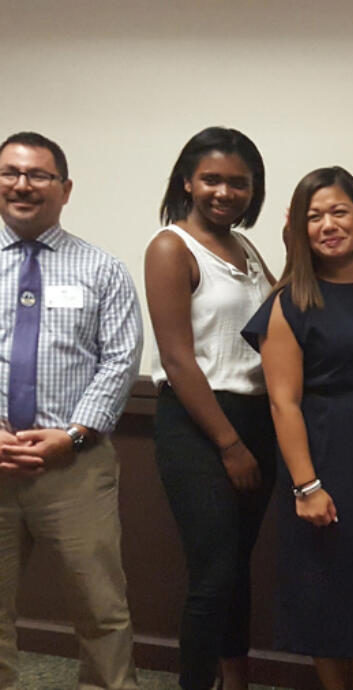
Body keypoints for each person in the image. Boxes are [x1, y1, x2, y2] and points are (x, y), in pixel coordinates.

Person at [242, 166, 353, 690]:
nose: (328, 225)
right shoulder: (289, 301)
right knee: (324, 587)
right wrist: (306, 485)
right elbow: (283, 402)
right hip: (323, 457)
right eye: (314, 216)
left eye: (339, 211)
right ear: (298, 228)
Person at [0, 131, 142, 689]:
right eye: (10, 172)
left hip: (75, 466)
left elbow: (120, 362)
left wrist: (74, 436)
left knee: (100, 608)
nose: (22, 185)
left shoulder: (102, 270)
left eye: (38, 175)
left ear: (65, 189)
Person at [145, 126, 276, 690]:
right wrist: (230, 445)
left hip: (255, 417)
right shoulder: (172, 246)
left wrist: (299, 253)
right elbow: (178, 361)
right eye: (213, 180)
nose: (225, 192)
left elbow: (277, 318)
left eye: (239, 183)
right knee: (213, 576)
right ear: (187, 182)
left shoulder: (244, 247)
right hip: (199, 426)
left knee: (235, 569)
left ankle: (236, 680)